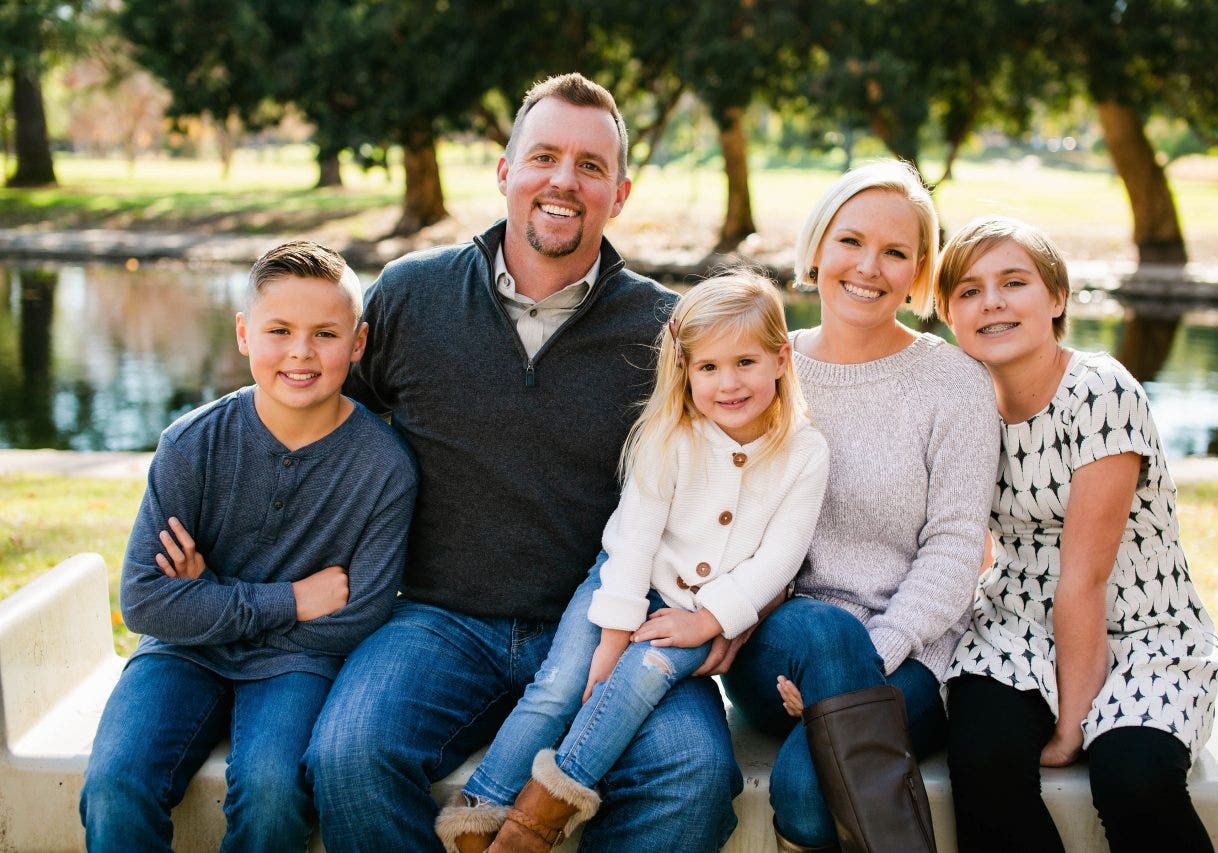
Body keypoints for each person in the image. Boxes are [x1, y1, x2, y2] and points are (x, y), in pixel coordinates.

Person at [303, 73, 742, 853]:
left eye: (590, 165)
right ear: (505, 171)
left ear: (621, 191)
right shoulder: (410, 295)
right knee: (347, 756)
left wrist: (735, 607)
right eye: (543, 156)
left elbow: (737, 478)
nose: (563, 181)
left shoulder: (668, 332)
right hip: (438, 618)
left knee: (694, 773)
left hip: (615, 626)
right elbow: (326, 429)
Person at [435, 272, 829, 852]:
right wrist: (613, 637)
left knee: (642, 680)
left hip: (703, 612)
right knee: (565, 684)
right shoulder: (669, 436)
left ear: (780, 357)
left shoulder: (804, 451)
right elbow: (634, 542)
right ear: (686, 370)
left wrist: (710, 619)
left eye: (745, 362)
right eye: (709, 368)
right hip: (625, 584)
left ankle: (533, 826)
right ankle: (480, 814)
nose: (728, 383)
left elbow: (780, 558)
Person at [79, 241, 418, 852]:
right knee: (114, 784)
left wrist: (206, 594)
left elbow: (356, 618)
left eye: (325, 334)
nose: (300, 352)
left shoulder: (384, 468)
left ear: (359, 343)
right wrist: (290, 600)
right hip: (180, 654)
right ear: (243, 334)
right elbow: (144, 602)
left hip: (297, 666)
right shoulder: (190, 444)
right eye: (279, 330)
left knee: (273, 791)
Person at [721, 159, 1001, 853]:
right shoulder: (764, 366)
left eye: (896, 252)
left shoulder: (954, 383)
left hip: (911, 658)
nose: (869, 266)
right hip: (779, 649)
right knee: (821, 629)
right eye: (851, 241)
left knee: (807, 790)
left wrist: (860, 660)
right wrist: (819, 657)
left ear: (918, 273)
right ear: (817, 248)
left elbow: (957, 545)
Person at [935, 216, 1218, 852]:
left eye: (1015, 282)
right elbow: (965, 540)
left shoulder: (1099, 391)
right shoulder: (963, 400)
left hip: (1145, 631)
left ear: (1057, 298)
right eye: (970, 290)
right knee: (982, 761)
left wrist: (1071, 725)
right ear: (948, 313)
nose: (993, 302)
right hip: (1014, 627)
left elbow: (1085, 575)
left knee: (1133, 777)